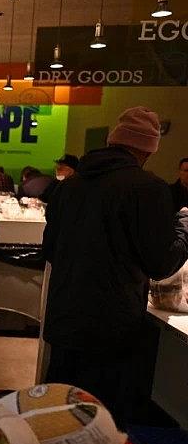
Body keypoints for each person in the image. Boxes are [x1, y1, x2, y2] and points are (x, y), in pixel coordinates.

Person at [43, 107, 188, 427]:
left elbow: (49, 250)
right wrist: (184, 229)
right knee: (98, 424)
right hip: (111, 330)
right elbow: (161, 263)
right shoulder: (148, 189)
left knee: (57, 415)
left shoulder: (68, 186)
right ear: (148, 149)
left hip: (64, 319)